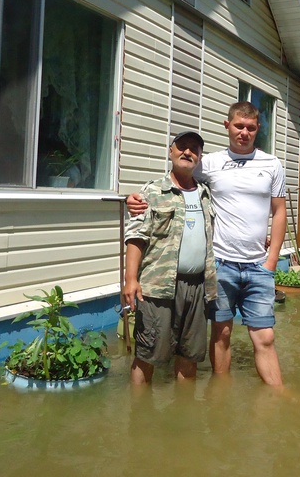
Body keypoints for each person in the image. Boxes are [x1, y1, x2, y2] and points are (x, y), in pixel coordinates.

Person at [127, 102, 286, 386]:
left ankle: (278, 396)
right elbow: (172, 183)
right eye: (239, 126)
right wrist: (135, 198)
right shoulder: (208, 163)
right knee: (221, 333)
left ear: (258, 129)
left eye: (251, 128)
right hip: (220, 265)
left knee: (265, 336)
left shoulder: (272, 164)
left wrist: (271, 260)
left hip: (256, 265)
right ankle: (220, 392)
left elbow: (280, 211)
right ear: (227, 126)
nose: (244, 132)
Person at [122, 131, 218, 384]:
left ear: (199, 157)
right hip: (158, 288)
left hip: (198, 287)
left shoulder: (206, 194)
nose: (188, 152)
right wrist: (130, 279)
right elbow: (136, 236)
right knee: (147, 355)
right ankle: (139, 418)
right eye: (182, 147)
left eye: (194, 149)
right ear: (171, 151)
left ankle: (184, 418)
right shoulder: (152, 191)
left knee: (190, 355)